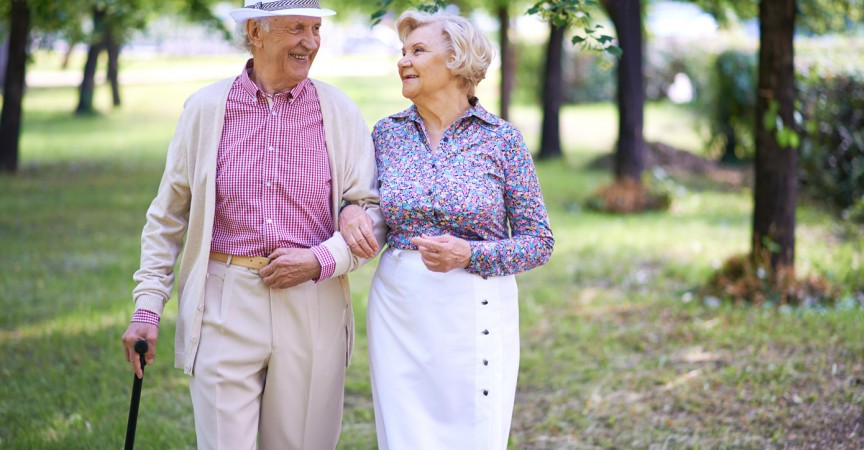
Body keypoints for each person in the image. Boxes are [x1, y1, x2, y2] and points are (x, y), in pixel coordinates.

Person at [120, 1, 385, 449]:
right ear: (255, 33)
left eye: (316, 28)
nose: (311, 42)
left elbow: (374, 211)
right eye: (297, 28)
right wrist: (148, 305)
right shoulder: (205, 108)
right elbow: (167, 217)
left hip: (313, 300)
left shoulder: (339, 111)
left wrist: (323, 257)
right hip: (225, 296)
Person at [340, 9, 554, 450]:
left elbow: (540, 241)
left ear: (458, 61)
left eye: (418, 50)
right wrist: (348, 209)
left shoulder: (501, 140)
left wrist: (470, 255)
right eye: (402, 51)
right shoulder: (386, 135)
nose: (403, 61)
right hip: (399, 310)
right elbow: (360, 201)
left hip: (475, 306)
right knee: (404, 436)